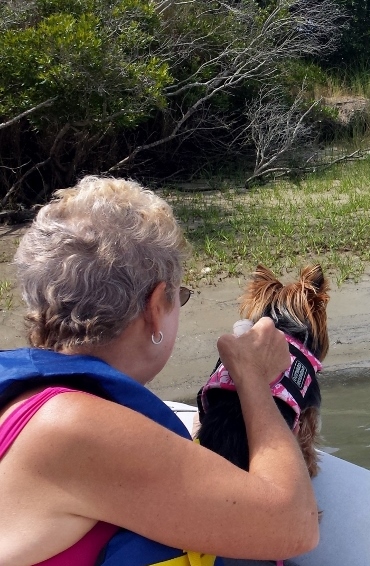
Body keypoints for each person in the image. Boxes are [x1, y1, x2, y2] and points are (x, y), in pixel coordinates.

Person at [0, 177, 319, 566]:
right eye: (178, 298)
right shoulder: (75, 426)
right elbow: (295, 526)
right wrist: (253, 378)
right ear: (154, 308)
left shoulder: (31, 400)